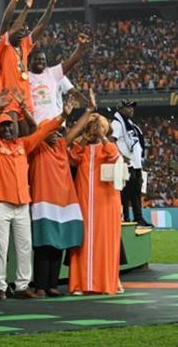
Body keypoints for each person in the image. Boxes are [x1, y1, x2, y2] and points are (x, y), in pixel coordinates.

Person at [0, 89, 68, 300]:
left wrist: (63, 117)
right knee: (1, 247)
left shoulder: (23, 144)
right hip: (1, 203)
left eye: (9, 126)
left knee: (24, 247)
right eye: (3, 127)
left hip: (22, 204)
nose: (7, 130)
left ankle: (22, 286)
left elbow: (42, 131)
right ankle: (0, 287)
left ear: (15, 128)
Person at [27, 96, 90, 297]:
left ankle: (52, 285)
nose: (56, 135)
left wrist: (89, 110)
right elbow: (36, 128)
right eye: (51, 131)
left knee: (60, 243)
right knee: (44, 244)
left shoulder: (61, 146)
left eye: (58, 132)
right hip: (43, 202)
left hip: (66, 203)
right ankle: (40, 286)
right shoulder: (37, 147)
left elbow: (75, 130)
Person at [69, 113, 124, 295]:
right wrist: (84, 138)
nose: (93, 130)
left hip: (106, 202)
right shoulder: (81, 148)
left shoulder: (108, 147)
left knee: (104, 241)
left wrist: (102, 137)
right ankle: (80, 283)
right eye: (91, 127)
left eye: (97, 126)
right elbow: (72, 158)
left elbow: (115, 157)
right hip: (84, 200)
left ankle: (106, 282)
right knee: (83, 241)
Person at [28, 33, 89, 123]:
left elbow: (71, 61)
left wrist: (80, 47)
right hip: (36, 126)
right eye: (36, 59)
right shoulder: (24, 77)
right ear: (29, 62)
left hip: (55, 125)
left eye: (42, 59)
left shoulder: (52, 73)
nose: (40, 61)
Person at [112, 100, 150, 226]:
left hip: (136, 164)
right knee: (125, 193)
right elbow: (111, 141)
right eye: (128, 107)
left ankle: (138, 218)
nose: (132, 109)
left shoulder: (130, 124)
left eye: (132, 107)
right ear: (121, 109)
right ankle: (125, 218)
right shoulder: (117, 124)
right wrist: (121, 156)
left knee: (136, 193)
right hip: (126, 164)